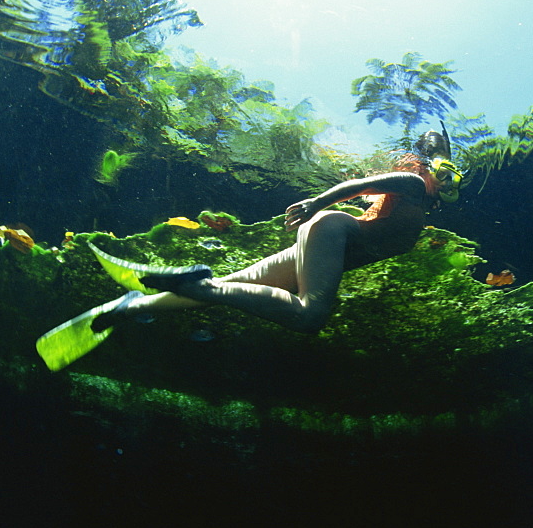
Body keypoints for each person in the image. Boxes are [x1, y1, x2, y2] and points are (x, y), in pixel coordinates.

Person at [36, 127, 462, 370]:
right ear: (425, 167)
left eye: (453, 174)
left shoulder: (420, 205)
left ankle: (129, 306)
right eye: (444, 169)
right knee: (309, 315)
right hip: (331, 234)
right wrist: (317, 203)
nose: (449, 180)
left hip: (322, 247)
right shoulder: (411, 185)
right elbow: (358, 186)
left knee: (227, 287)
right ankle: (198, 283)